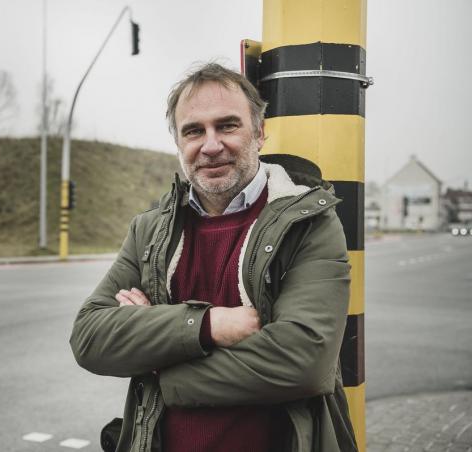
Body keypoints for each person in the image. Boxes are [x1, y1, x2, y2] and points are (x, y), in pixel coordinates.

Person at [70, 63, 357, 452]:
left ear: (259, 131)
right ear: (178, 142)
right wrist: (208, 325)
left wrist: (159, 365)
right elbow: (89, 337)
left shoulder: (310, 224)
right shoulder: (149, 231)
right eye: (193, 131)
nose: (210, 145)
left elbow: (304, 362)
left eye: (227, 126)